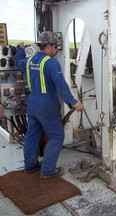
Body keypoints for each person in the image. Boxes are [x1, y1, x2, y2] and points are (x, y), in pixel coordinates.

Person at [15, 31, 84, 179]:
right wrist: (73, 102)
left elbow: (18, 62)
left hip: (32, 105)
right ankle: (47, 171)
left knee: (32, 135)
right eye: (55, 47)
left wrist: (20, 49)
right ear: (48, 47)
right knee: (57, 135)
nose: (56, 50)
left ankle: (30, 166)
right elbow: (61, 85)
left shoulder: (29, 61)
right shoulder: (51, 63)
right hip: (46, 106)